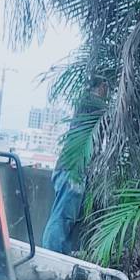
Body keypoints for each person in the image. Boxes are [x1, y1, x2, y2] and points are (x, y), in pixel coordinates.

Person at [42, 75, 107, 255]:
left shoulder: (87, 103)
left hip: (75, 170)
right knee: (63, 218)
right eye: (106, 86)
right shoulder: (90, 102)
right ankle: (51, 255)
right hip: (72, 170)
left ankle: (60, 258)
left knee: (70, 220)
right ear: (102, 85)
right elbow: (114, 117)